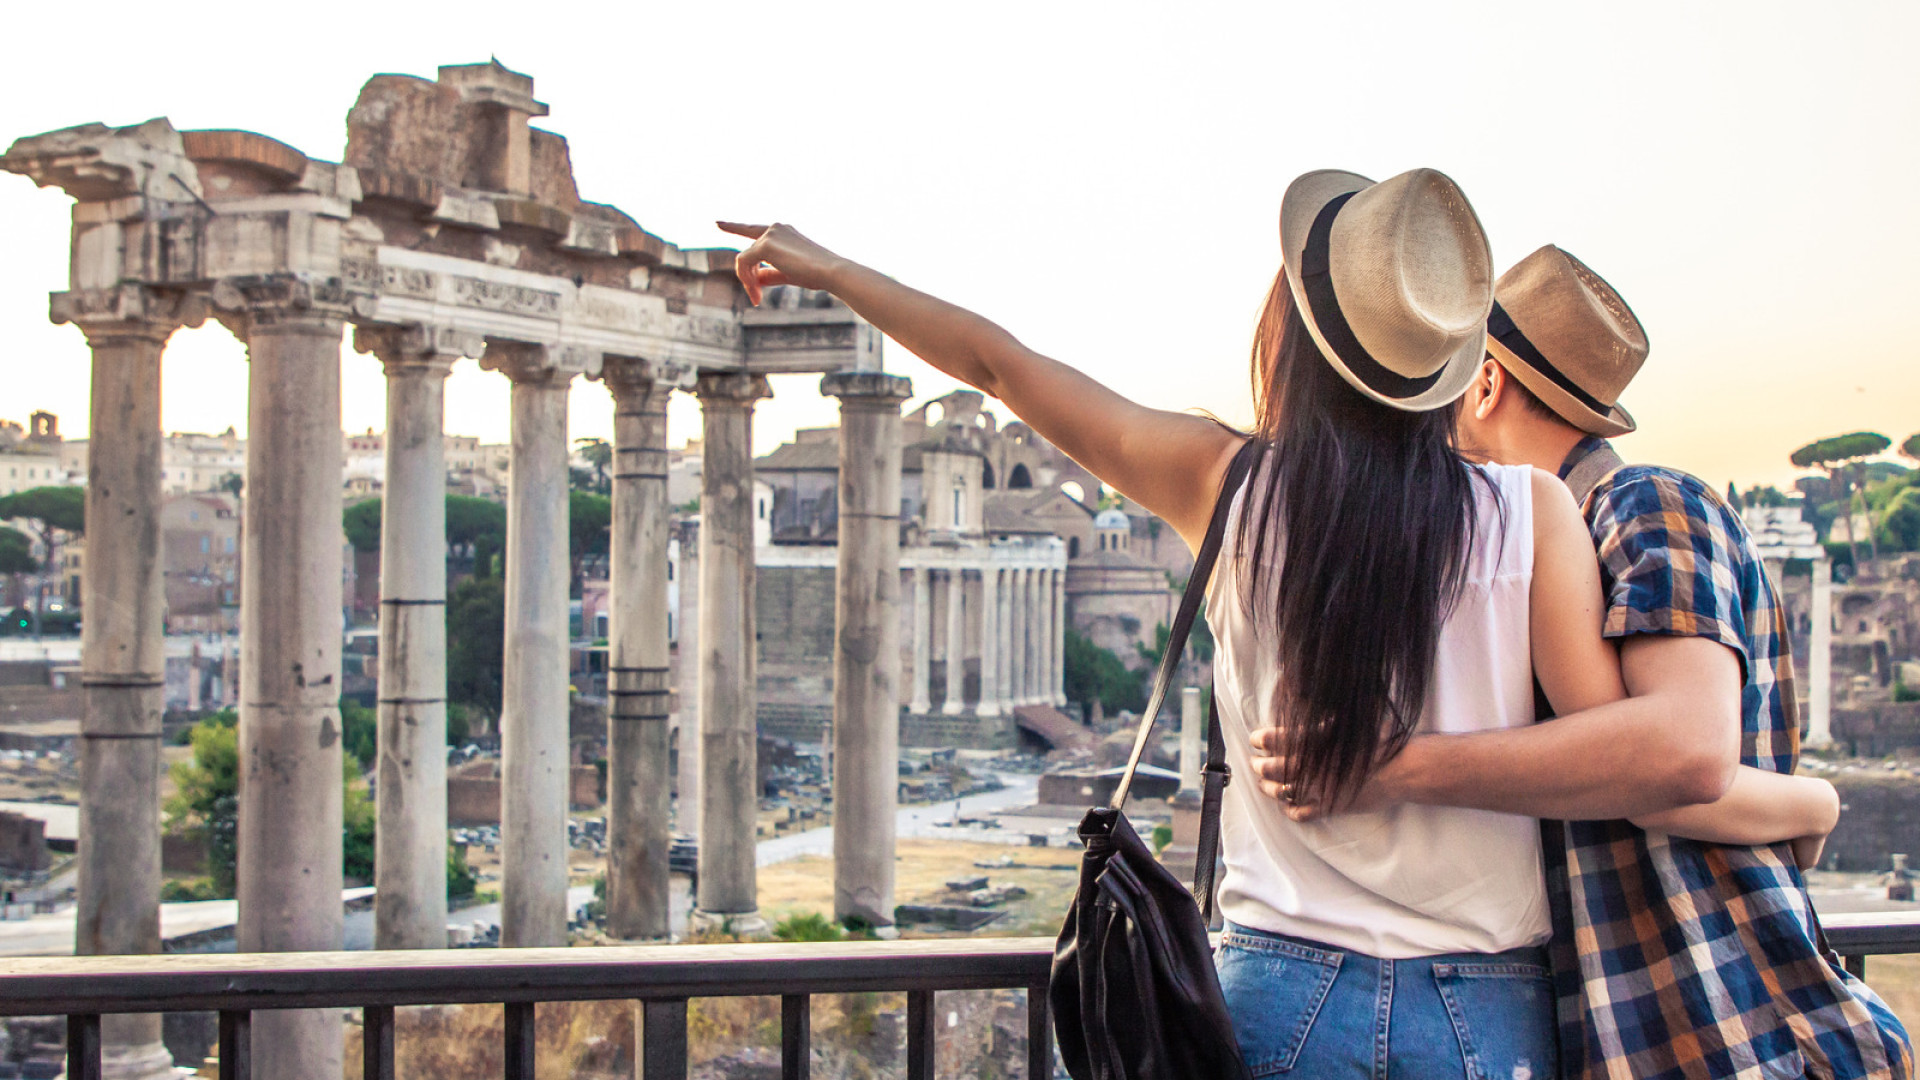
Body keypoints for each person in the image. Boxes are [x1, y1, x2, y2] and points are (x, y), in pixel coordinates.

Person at [722, 167, 1753, 1077]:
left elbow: (998, 363)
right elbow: (1628, 754)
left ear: (1295, 333)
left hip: (1275, 993)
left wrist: (833, 268)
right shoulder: (1535, 515)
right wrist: (1796, 804)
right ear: (1447, 366)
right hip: (1484, 1005)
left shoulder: (1223, 484)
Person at [1251, 244, 1913, 1079]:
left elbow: (1682, 757)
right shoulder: (1518, 552)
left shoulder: (1641, 503)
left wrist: (1389, 765)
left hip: (1736, 1032)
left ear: (1484, 381)